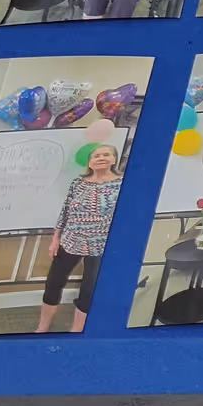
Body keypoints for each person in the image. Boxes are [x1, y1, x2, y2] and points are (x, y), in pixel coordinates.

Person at [34, 142, 123, 333]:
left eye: (106, 155)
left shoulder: (123, 184)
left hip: (102, 246)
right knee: (53, 284)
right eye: (96, 156)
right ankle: (42, 328)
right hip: (71, 241)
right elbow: (65, 211)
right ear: (90, 162)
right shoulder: (78, 182)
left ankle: (76, 332)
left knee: (89, 291)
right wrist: (55, 239)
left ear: (114, 159)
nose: (101, 158)